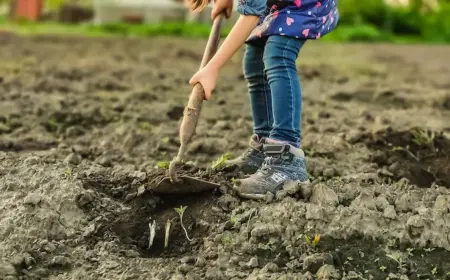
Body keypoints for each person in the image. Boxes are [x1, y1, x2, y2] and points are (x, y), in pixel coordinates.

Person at [187, 0, 339, 199]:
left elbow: (250, 16)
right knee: (254, 59)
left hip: (305, 4)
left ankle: (287, 160)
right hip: (280, 4)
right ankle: (263, 148)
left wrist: (212, 68)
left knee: (279, 54)